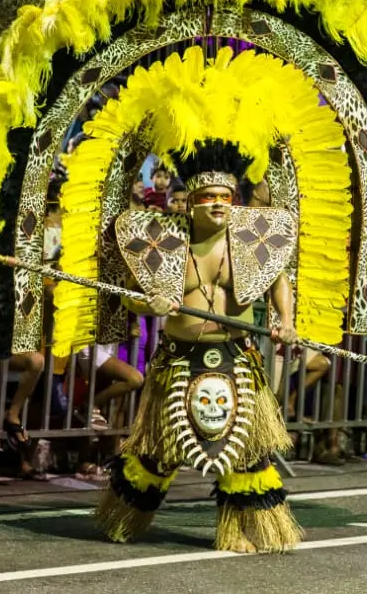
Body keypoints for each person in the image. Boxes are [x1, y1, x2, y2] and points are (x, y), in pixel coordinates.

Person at [98, 140, 301, 554]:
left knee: (246, 449)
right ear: (190, 203)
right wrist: (147, 302)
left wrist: (286, 321)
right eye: (208, 197)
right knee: (158, 450)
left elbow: (280, 278)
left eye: (225, 197)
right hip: (179, 358)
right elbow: (128, 295)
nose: (217, 204)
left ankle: (240, 530)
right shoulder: (167, 240)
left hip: (236, 356)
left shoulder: (250, 240)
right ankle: (121, 518)